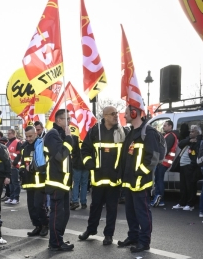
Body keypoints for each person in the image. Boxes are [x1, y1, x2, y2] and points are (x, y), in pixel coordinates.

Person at [79, 106, 126, 245]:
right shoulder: (95, 131)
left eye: (116, 113)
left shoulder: (122, 131)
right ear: (105, 116)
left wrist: (121, 171)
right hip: (98, 177)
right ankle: (91, 230)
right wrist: (90, 164)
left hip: (114, 178)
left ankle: (108, 235)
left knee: (112, 208)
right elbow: (85, 150)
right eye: (112, 114)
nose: (116, 116)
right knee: (95, 207)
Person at [118, 106, 160, 252]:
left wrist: (139, 173)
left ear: (135, 113)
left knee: (142, 212)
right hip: (129, 182)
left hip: (140, 182)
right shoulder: (131, 133)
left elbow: (153, 158)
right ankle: (133, 237)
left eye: (127, 113)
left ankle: (144, 241)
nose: (124, 116)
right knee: (130, 212)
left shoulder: (148, 132)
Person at [43, 109, 74, 251]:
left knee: (64, 214)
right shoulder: (52, 135)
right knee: (57, 214)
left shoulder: (61, 134)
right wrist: (68, 139)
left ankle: (58, 239)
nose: (70, 121)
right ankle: (55, 243)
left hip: (64, 182)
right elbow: (60, 155)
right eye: (67, 119)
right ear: (59, 120)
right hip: (56, 181)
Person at [19, 125, 48, 237]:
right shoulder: (24, 148)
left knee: (39, 205)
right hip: (29, 181)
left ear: (36, 134)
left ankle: (45, 225)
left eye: (30, 136)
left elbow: (46, 162)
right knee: (31, 207)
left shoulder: (41, 145)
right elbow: (22, 163)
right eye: (26, 136)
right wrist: (21, 170)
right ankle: (37, 226)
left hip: (40, 182)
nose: (28, 138)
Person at [173, 124, 202, 211]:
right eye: (190, 131)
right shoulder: (188, 139)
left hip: (189, 165)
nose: (190, 133)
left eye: (193, 131)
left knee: (190, 186)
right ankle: (182, 202)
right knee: (183, 186)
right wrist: (189, 140)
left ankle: (190, 204)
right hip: (183, 165)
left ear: (197, 133)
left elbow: (197, 153)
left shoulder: (199, 141)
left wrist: (192, 165)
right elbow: (180, 144)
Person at [151, 119, 178, 207]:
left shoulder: (170, 136)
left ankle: (160, 199)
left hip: (163, 162)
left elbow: (165, 149)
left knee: (159, 181)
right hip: (164, 162)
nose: (163, 127)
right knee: (159, 180)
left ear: (170, 126)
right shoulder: (168, 135)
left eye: (165, 125)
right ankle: (159, 199)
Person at [5, 128, 22, 205]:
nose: (8, 135)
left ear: (13, 134)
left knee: (15, 182)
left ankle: (16, 198)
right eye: (7, 133)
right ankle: (11, 197)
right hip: (9, 166)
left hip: (15, 166)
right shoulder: (7, 143)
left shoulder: (18, 142)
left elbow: (19, 154)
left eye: (9, 133)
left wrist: (14, 164)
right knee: (11, 183)